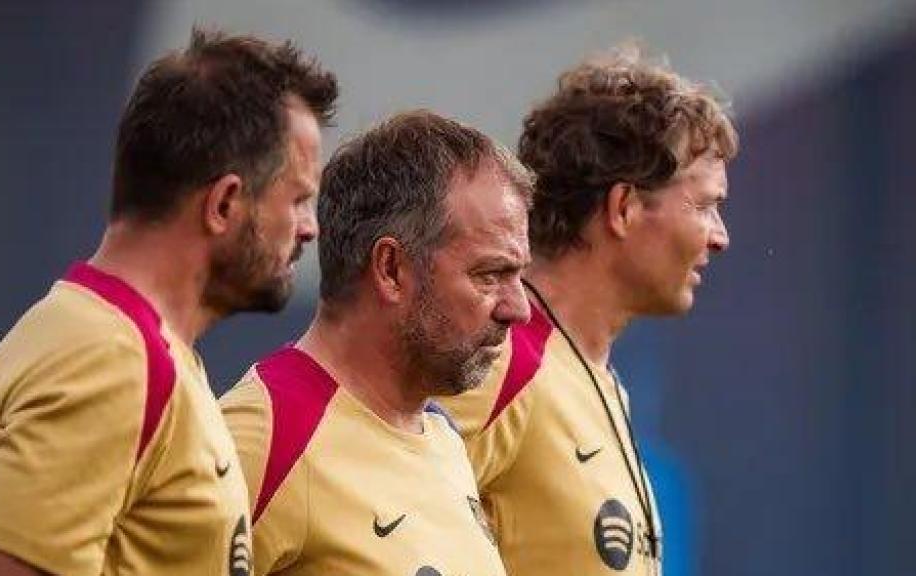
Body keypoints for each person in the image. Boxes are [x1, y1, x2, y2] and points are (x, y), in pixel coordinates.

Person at [0, 29, 337, 576]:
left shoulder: (119, 346)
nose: (310, 228)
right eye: (298, 198)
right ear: (225, 202)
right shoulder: (111, 361)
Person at [438, 49, 739, 576]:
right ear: (623, 209)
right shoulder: (502, 358)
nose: (720, 237)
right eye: (704, 206)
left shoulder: (592, 376)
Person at [219, 110, 534, 576]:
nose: (520, 309)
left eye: (520, 276)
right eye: (490, 275)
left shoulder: (442, 435)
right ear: (390, 269)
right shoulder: (264, 434)